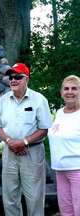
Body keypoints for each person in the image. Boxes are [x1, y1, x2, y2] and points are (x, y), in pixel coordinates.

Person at [0, 63, 53, 216]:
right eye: (11, 77)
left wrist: (23, 142)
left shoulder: (39, 100)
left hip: (31, 152)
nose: (13, 80)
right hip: (9, 152)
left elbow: (44, 129)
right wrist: (10, 142)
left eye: (18, 77)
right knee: (10, 196)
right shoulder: (4, 100)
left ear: (27, 79)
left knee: (34, 196)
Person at [47, 75, 80, 216]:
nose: (70, 92)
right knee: (66, 211)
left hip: (77, 170)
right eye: (66, 88)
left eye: (74, 88)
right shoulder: (59, 113)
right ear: (61, 93)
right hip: (60, 170)